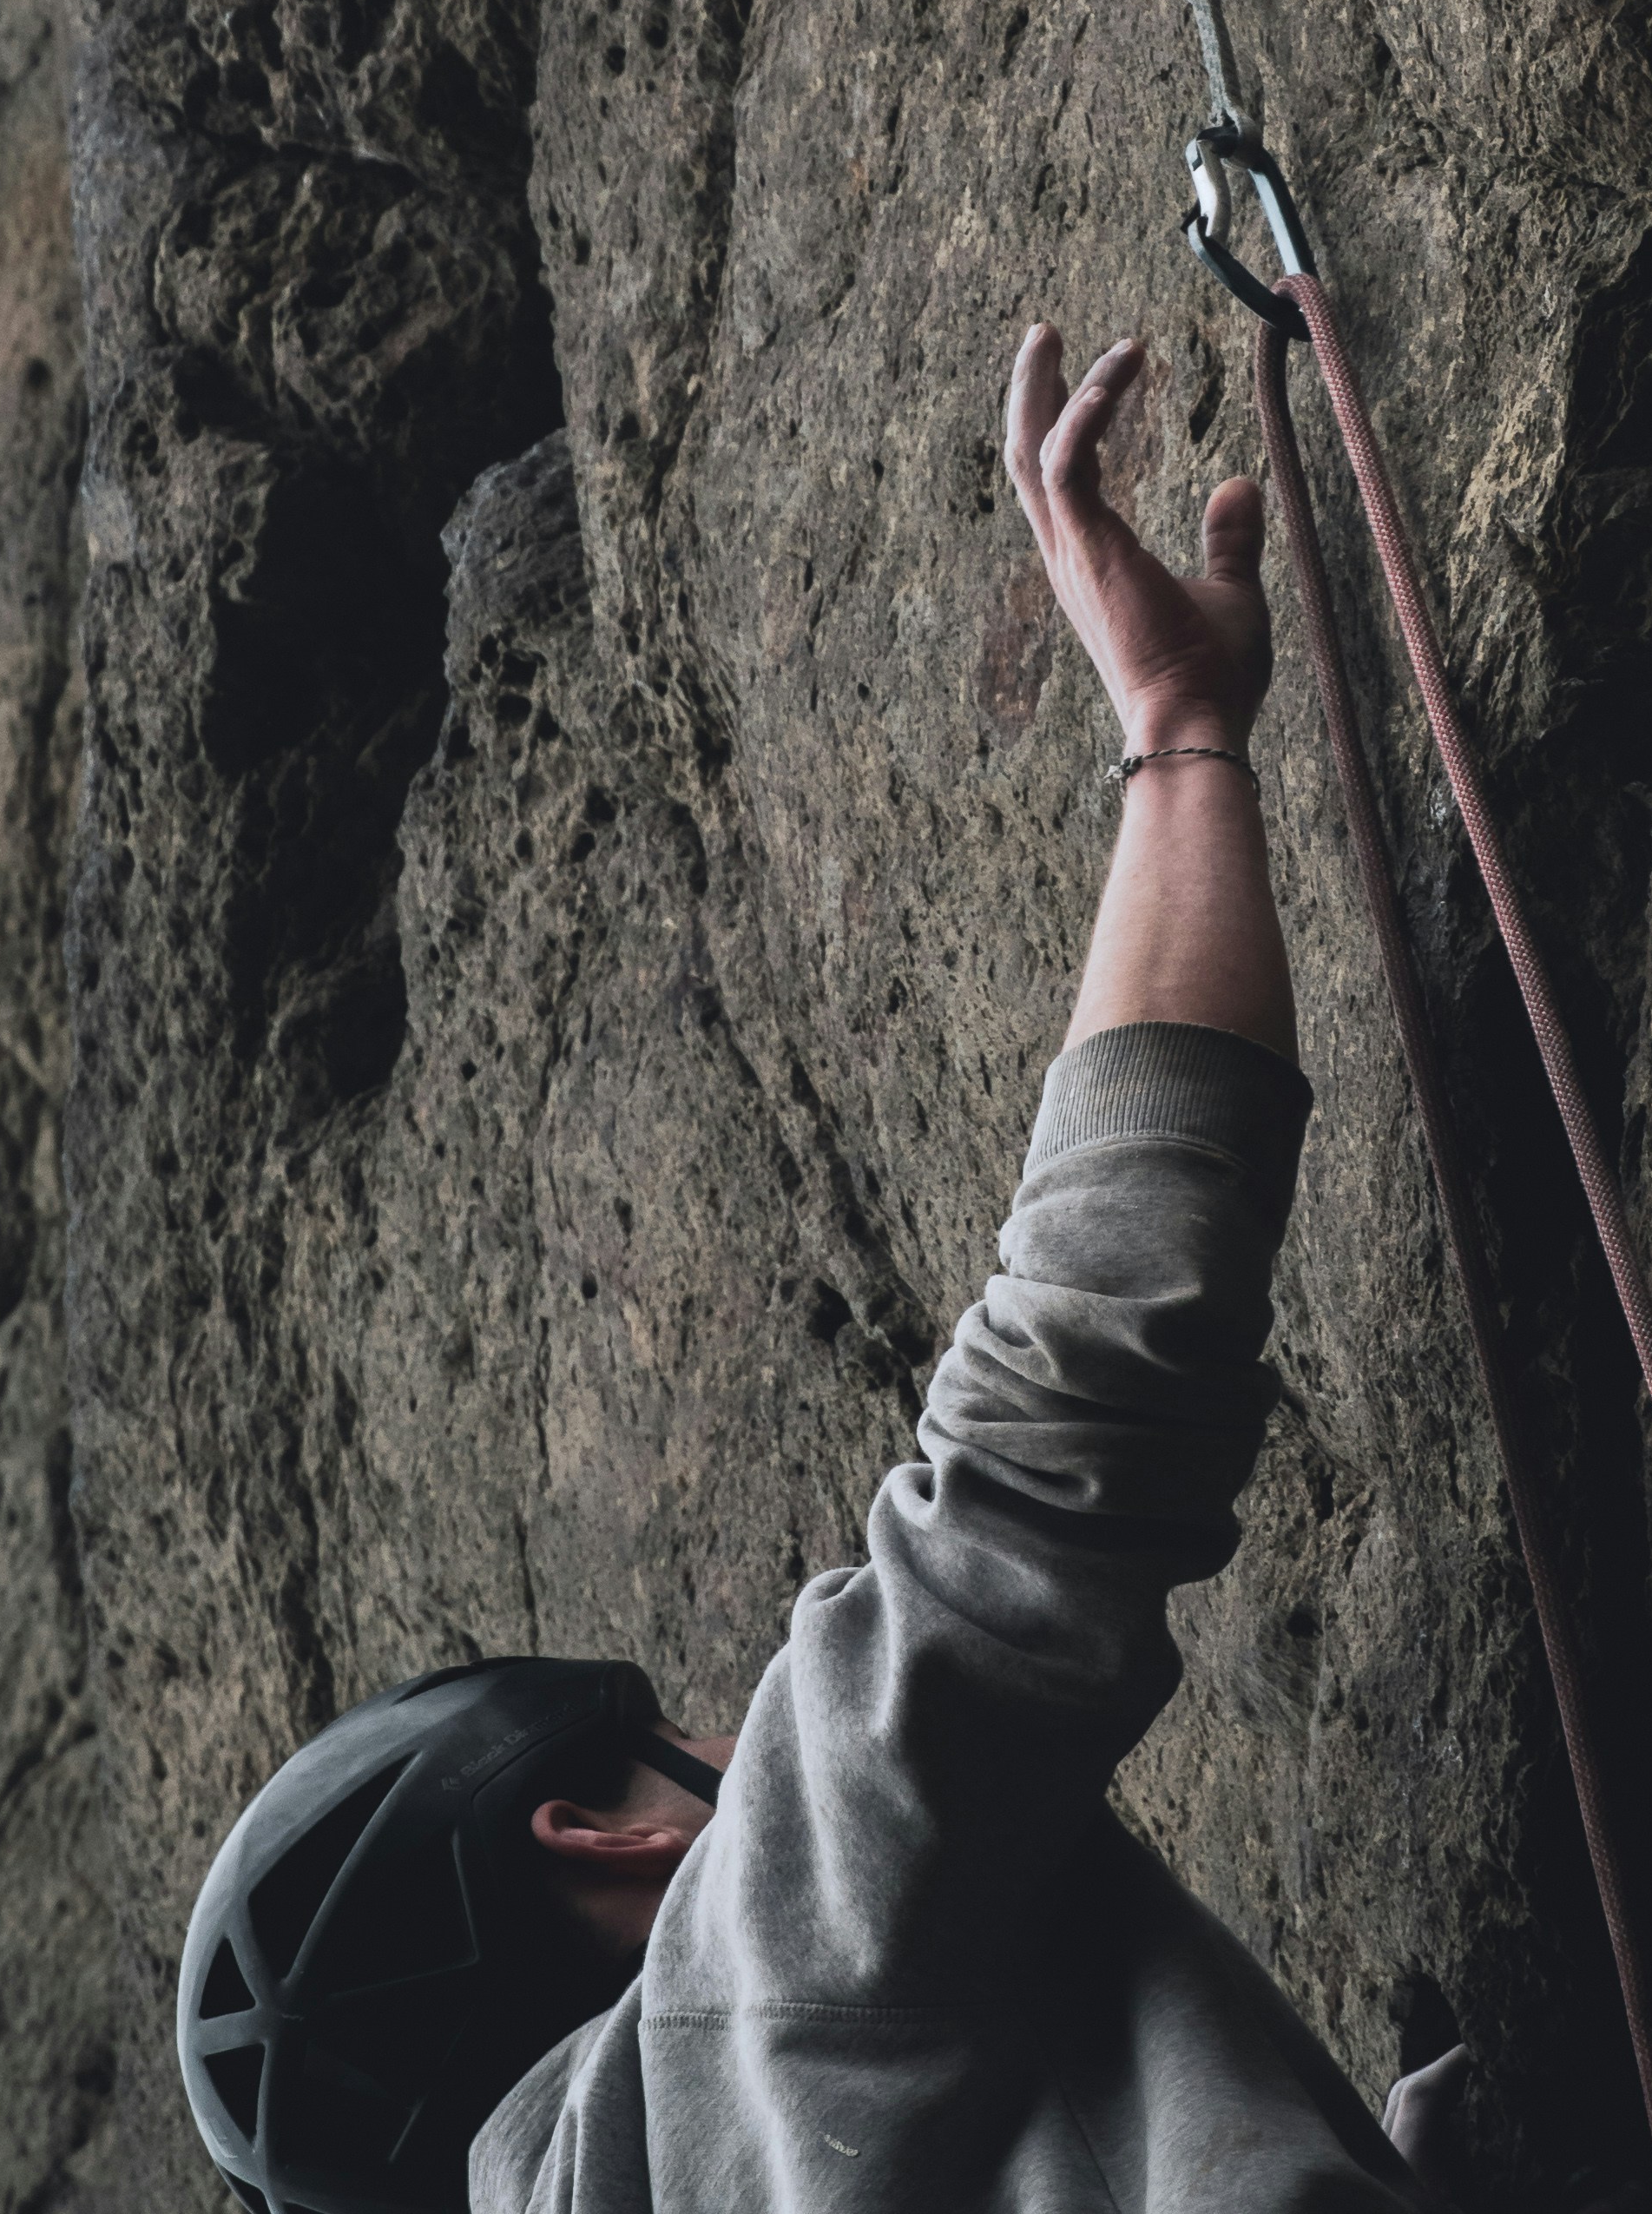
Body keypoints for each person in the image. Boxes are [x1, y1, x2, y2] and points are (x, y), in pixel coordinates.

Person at [179, 322, 1478, 2214]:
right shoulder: (739, 1981)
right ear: (591, 1832)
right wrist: (1182, 738)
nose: (740, 1735)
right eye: (689, 1743)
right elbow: (1067, 1421)